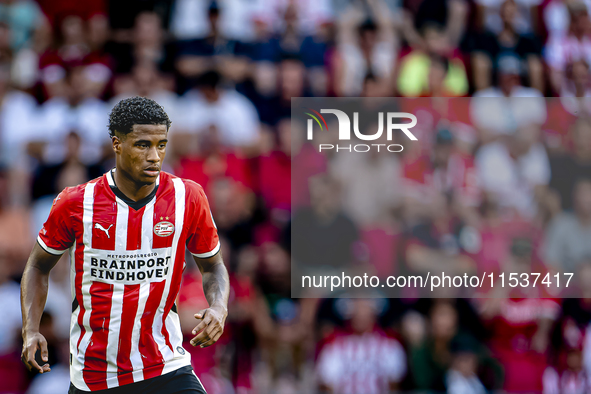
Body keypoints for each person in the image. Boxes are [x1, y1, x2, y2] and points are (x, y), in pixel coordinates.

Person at [20, 96, 230, 394]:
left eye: (161, 145)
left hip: (166, 365)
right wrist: (31, 330)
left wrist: (219, 307)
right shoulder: (76, 202)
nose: (155, 156)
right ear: (117, 144)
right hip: (96, 376)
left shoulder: (189, 197)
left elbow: (213, 266)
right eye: (143, 144)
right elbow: (38, 266)